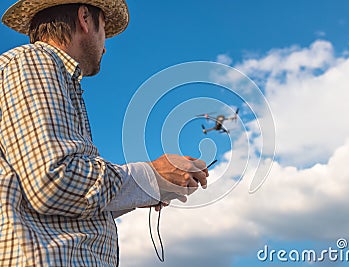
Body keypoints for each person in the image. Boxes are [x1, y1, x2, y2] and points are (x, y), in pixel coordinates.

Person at [0, 1, 208, 266]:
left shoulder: (41, 71)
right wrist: (150, 177)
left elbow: (55, 200)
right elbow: (52, 181)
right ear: (84, 18)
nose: (105, 45)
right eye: (104, 30)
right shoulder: (35, 62)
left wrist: (143, 191)